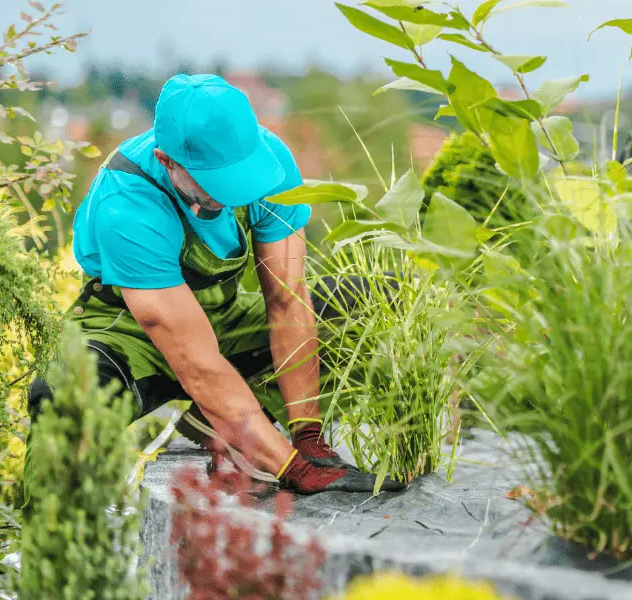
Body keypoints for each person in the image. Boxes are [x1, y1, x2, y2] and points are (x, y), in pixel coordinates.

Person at [23, 73, 405, 500]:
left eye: (240, 176)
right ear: (167, 160)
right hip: (128, 335)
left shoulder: (270, 166)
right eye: (216, 182)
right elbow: (196, 362)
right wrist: (290, 468)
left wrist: (308, 435)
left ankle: (223, 421)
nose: (234, 193)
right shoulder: (126, 202)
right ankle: (53, 554)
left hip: (221, 321)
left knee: (374, 302)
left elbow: (286, 300)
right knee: (61, 398)